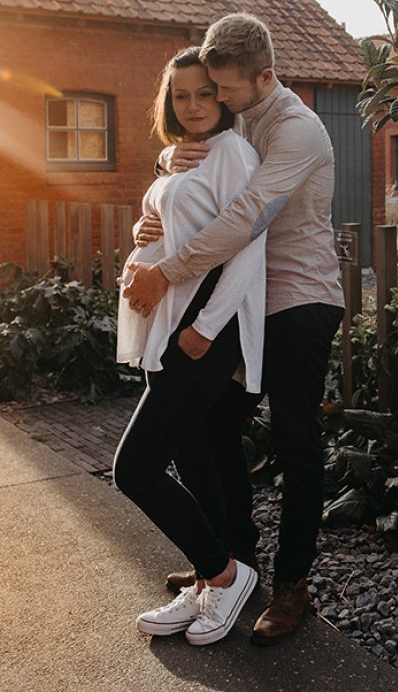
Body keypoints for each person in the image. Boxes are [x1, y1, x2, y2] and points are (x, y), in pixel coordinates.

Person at [123, 12, 345, 645]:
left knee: (298, 442)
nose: (215, 100)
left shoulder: (298, 130)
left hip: (299, 300)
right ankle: (230, 562)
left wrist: (165, 270)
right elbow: (209, 160)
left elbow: (248, 215)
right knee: (209, 431)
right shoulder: (240, 114)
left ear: (265, 76)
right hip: (240, 305)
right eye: (209, 89)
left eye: (225, 90)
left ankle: (291, 584)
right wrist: (170, 161)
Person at [114, 47, 265, 646]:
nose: (195, 105)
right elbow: (174, 220)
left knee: (135, 468)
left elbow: (248, 247)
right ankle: (210, 579)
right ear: (168, 102)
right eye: (182, 96)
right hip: (167, 325)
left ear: (223, 97)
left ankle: (226, 573)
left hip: (201, 328)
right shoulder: (180, 158)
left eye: (205, 93)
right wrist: (141, 228)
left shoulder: (233, 153)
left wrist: (206, 326)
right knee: (195, 456)